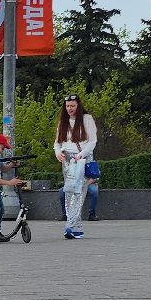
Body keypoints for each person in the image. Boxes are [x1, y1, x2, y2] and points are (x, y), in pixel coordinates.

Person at [54, 95, 98, 239]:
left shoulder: (87, 119)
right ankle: (77, 228)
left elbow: (92, 142)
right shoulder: (63, 122)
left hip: (82, 159)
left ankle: (70, 225)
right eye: (67, 106)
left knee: (79, 192)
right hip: (67, 160)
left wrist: (82, 154)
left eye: (72, 106)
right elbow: (57, 142)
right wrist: (57, 153)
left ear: (78, 106)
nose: (69, 109)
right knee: (69, 191)